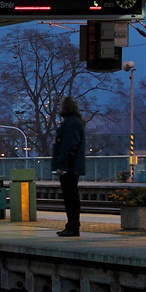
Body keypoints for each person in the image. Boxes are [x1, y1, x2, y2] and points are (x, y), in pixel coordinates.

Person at [52, 96, 86, 236]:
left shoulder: (70, 124)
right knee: (72, 196)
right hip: (73, 166)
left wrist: (62, 165)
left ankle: (72, 227)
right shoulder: (76, 122)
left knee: (70, 197)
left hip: (69, 168)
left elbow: (68, 146)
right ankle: (72, 226)